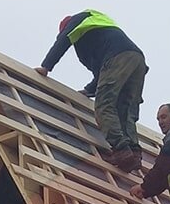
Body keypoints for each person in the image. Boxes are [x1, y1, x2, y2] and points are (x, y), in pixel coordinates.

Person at [38, 11, 147, 172]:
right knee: (126, 108)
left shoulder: (78, 20)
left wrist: (46, 66)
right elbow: (101, 73)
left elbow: (63, 40)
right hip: (137, 60)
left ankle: (121, 150)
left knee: (104, 105)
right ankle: (134, 153)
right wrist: (88, 90)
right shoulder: (98, 31)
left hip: (118, 57)